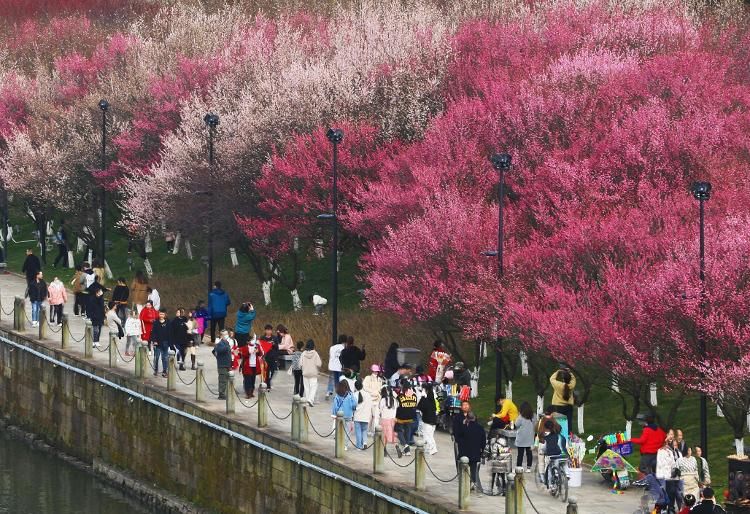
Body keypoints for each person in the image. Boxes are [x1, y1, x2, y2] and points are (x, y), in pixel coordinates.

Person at [455, 412, 486, 492]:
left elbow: (457, 438)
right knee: (473, 468)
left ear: (467, 419)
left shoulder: (464, 428)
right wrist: (481, 451)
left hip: (464, 453)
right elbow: (483, 442)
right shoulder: (480, 428)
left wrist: (463, 424)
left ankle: (465, 482)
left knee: (463, 468)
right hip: (475, 453)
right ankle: (473, 482)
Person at [331, 381, 357, 450]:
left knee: (339, 430)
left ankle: (339, 443)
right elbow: (354, 404)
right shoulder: (350, 394)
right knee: (347, 431)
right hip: (348, 415)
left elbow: (335, 406)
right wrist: (353, 409)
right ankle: (345, 445)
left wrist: (334, 414)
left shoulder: (337, 395)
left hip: (340, 415)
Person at [394, 379, 418, 457]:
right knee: (407, 432)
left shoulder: (400, 396)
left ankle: (405, 445)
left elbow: (396, 406)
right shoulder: (414, 395)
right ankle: (407, 450)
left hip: (401, 417)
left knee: (398, 430)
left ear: (402, 385)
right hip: (410, 417)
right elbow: (415, 405)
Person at [541, 419, 568, 487]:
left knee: (550, 468)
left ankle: (550, 484)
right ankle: (567, 474)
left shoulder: (547, 437)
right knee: (564, 464)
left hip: (553, 456)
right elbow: (566, 447)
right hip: (564, 456)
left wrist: (543, 452)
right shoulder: (562, 437)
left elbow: (544, 447)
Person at [237, 334, 264, 399]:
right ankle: (248, 392)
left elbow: (261, 354)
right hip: (247, 366)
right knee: (247, 380)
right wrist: (250, 352)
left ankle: (251, 392)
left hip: (254, 365)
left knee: (253, 379)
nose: (252, 341)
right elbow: (244, 355)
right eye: (251, 340)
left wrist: (257, 352)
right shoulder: (245, 347)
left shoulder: (257, 346)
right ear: (248, 341)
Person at [550, 368, 576, 433]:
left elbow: (552, 379)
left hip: (558, 407)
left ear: (563, 379)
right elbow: (573, 379)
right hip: (568, 407)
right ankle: (569, 437)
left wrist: (558, 371)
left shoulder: (558, 385)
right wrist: (570, 372)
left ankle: (558, 437)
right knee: (568, 424)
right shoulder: (572, 385)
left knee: (559, 424)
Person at [417, 382, 438, 455]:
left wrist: (422, 397)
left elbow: (419, 407)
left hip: (427, 421)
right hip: (433, 421)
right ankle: (431, 448)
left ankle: (432, 448)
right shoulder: (432, 400)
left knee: (427, 436)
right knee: (430, 436)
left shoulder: (426, 400)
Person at [363, 365, 385, 434]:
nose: (376, 372)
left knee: (376, 417)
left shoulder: (380, 379)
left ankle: (375, 431)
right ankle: (367, 430)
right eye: (375, 371)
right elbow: (365, 388)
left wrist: (378, 394)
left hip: (377, 400)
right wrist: (373, 392)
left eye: (377, 371)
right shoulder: (367, 378)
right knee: (369, 417)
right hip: (369, 400)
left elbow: (380, 389)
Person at [515, 402, 536, 472]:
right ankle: (529, 468)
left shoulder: (521, 417)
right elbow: (535, 424)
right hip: (530, 438)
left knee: (520, 454)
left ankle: (519, 467)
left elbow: (516, 424)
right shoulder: (533, 416)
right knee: (529, 453)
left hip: (521, 439)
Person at [149, 309, 171, 377]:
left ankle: (164, 371)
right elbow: (153, 333)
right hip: (157, 343)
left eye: (162, 314)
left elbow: (170, 333)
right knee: (156, 357)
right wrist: (154, 341)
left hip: (165, 342)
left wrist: (170, 342)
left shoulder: (168, 322)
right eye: (160, 314)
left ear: (165, 315)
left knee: (165, 358)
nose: (161, 315)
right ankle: (156, 370)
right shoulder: (156, 322)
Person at [300, 340, 322, 406]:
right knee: (313, 387)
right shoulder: (315, 354)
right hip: (313, 373)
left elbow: (300, 364)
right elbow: (319, 364)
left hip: (305, 373)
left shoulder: (303, 353)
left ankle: (307, 400)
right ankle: (310, 400)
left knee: (307, 387)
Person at [212, 329, 232, 400]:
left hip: (227, 364)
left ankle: (225, 392)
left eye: (227, 334)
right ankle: (221, 394)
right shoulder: (220, 343)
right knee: (222, 380)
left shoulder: (226, 342)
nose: (226, 335)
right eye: (224, 334)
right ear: (221, 336)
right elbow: (219, 350)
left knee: (227, 379)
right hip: (222, 365)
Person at [353, 380, 373, 450]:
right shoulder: (368, 395)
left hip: (357, 416)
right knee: (364, 430)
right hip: (366, 416)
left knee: (358, 431)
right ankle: (364, 442)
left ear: (355, 387)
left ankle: (359, 446)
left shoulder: (354, 395)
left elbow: (353, 406)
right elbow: (371, 405)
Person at [326, 334, 346, 399]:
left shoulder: (332, 347)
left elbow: (331, 356)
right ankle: (339, 394)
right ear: (344, 341)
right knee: (340, 381)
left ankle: (330, 391)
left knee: (335, 380)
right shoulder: (343, 348)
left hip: (332, 366)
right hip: (340, 367)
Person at [379, 386, 398, 453]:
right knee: (394, 435)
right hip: (393, 419)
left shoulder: (383, 400)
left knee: (384, 435)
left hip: (385, 419)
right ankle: (396, 446)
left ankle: (384, 449)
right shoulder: (395, 400)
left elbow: (380, 410)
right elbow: (396, 409)